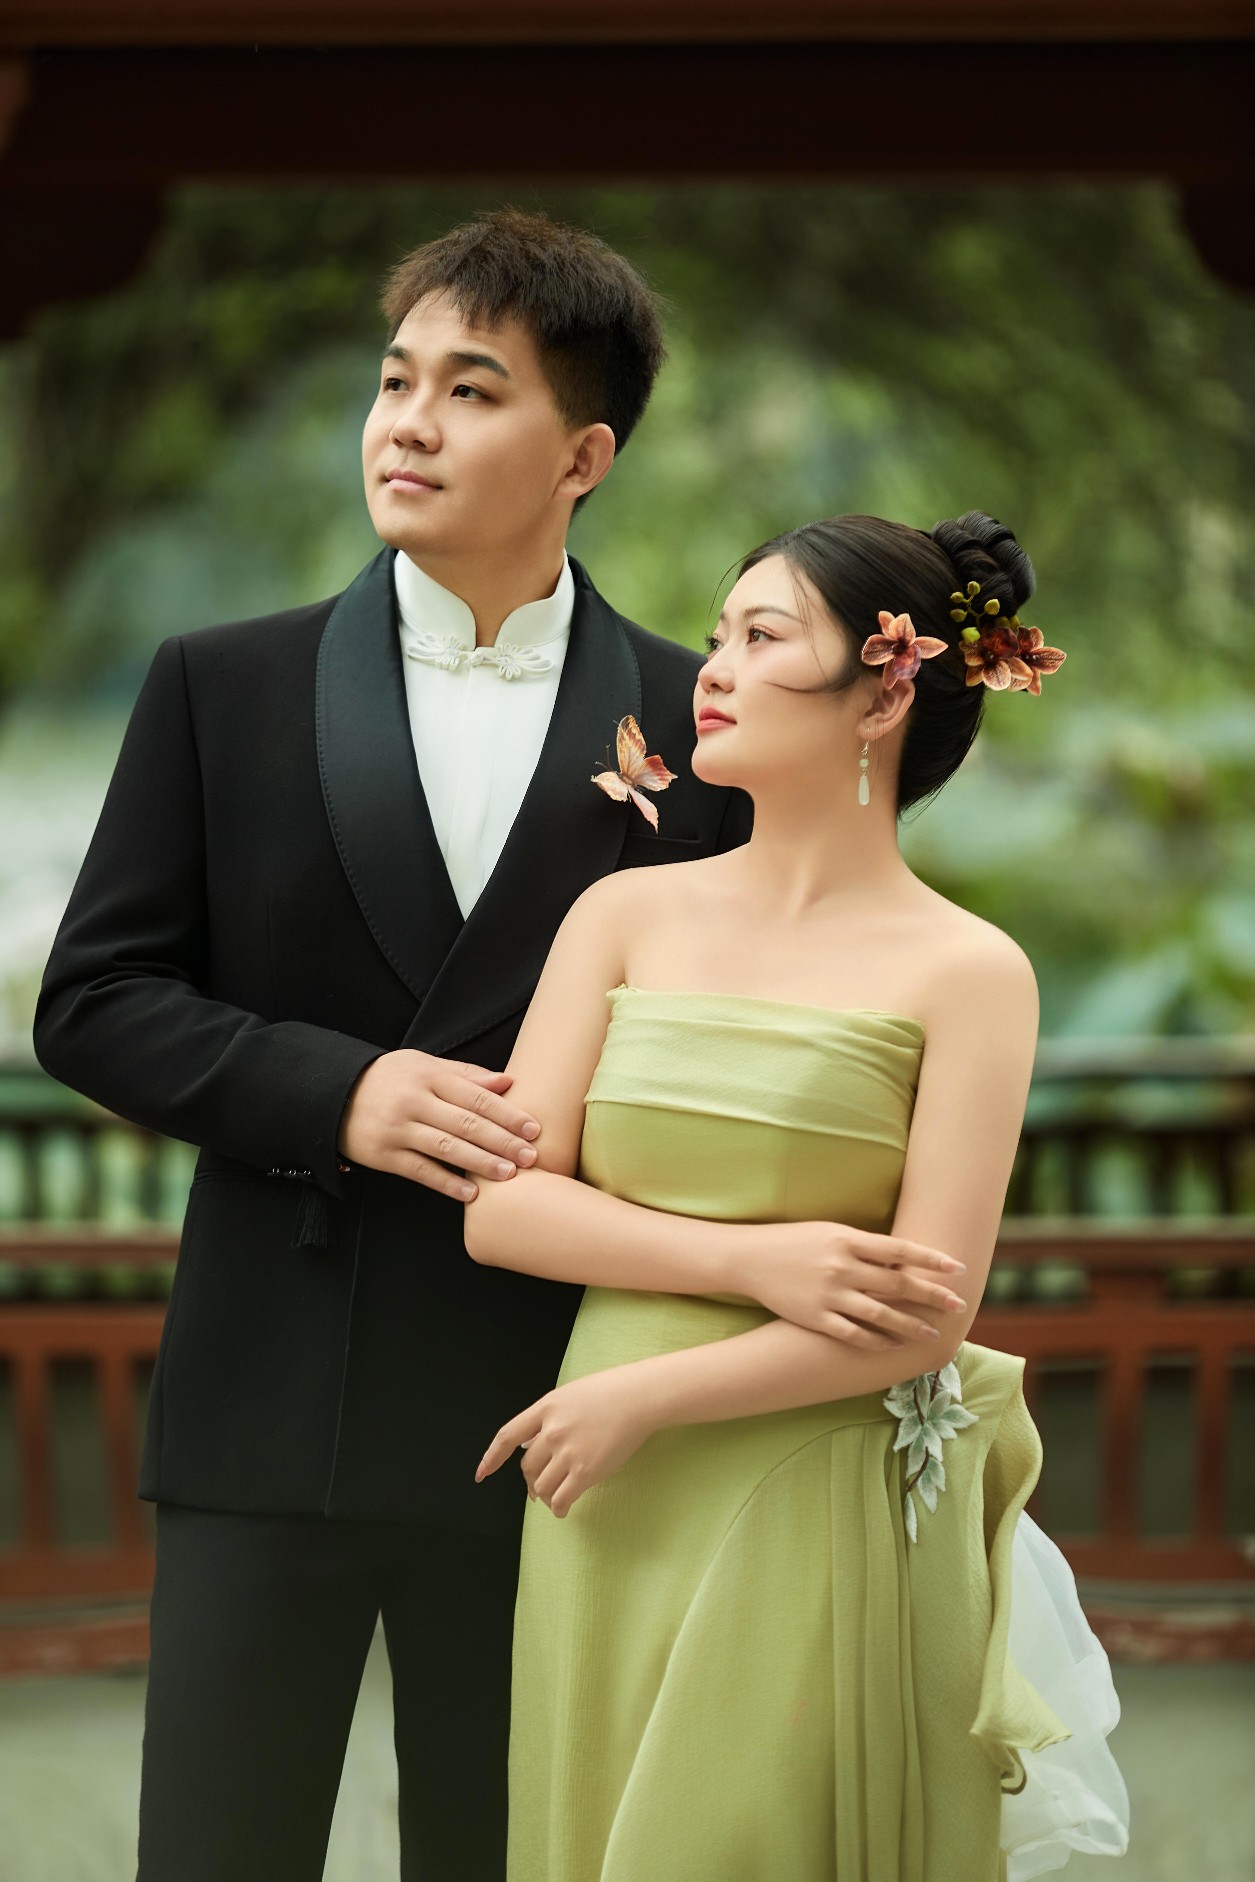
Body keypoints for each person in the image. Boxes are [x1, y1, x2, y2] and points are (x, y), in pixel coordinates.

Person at [31, 209, 758, 1881]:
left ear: (583, 456)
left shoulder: (701, 726)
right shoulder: (221, 686)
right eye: (394, 379)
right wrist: (341, 1089)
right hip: (270, 1398)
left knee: (514, 1856)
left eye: (470, 389)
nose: (407, 424)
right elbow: (96, 998)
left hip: (566, 1407)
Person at [469, 511, 1131, 1881]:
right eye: (718, 634)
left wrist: (646, 1395)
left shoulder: (971, 971)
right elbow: (504, 1209)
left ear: (883, 694)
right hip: (606, 1489)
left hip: (802, 1478)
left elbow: (924, 1317)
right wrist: (756, 1262)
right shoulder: (623, 916)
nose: (712, 666)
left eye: (761, 636)